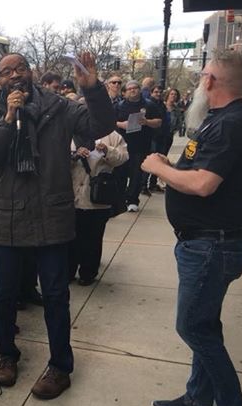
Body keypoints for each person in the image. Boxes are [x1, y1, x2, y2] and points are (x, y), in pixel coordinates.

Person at [0, 52, 116, 398]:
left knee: (55, 296)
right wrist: (8, 118)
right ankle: (7, 355)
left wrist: (92, 88)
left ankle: (60, 366)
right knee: (5, 296)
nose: (15, 76)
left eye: (21, 68)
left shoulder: (59, 107)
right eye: (7, 72)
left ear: (31, 73)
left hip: (52, 218)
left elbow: (101, 127)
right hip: (8, 220)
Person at [142, 50, 242, 406]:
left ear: (211, 82)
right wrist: (170, 167)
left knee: (192, 325)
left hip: (212, 246)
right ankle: (198, 395)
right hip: (205, 243)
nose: (197, 82)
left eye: (202, 75)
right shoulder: (222, 121)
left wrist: (157, 168)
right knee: (205, 323)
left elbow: (204, 185)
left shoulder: (231, 124)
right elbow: (197, 172)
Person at [69, 131, 128, 285]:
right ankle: (68, 270)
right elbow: (55, 159)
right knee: (70, 237)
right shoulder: (69, 130)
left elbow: (123, 158)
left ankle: (88, 272)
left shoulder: (113, 136)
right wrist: (74, 155)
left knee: (93, 237)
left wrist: (107, 150)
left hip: (98, 195)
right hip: (71, 194)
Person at [115, 80, 162, 211]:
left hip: (141, 144)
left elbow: (159, 121)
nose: (132, 90)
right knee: (121, 173)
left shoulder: (149, 105)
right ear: (125, 93)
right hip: (122, 144)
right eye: (129, 89)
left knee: (136, 173)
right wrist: (121, 124)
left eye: (135, 88)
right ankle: (120, 199)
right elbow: (110, 121)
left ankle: (132, 200)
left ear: (139, 90)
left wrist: (147, 122)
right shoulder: (119, 106)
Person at [144, 84, 172, 194]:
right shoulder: (148, 104)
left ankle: (153, 183)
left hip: (162, 135)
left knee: (160, 160)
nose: (158, 94)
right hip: (153, 136)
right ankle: (144, 185)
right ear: (151, 93)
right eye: (156, 92)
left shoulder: (161, 105)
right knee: (151, 160)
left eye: (160, 92)